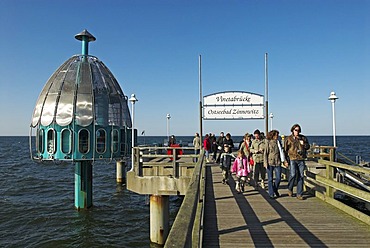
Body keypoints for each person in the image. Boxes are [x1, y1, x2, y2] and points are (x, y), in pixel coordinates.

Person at [284, 124, 310, 200]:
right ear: (292, 130)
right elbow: (285, 150)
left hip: (301, 159)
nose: (297, 132)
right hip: (292, 158)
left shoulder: (303, 138)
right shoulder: (288, 139)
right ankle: (290, 188)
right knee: (293, 174)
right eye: (296, 130)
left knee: (301, 176)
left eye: (298, 130)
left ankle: (299, 194)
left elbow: (308, 147)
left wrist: (304, 144)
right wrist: (285, 160)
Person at [264, 130, 286, 199]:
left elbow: (281, 152)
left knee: (278, 178)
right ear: (272, 135)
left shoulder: (278, 142)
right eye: (276, 135)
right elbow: (265, 153)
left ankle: (275, 189)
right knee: (270, 179)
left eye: (277, 135)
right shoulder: (268, 143)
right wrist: (265, 163)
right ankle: (271, 193)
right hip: (270, 162)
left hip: (277, 162)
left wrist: (283, 160)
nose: (277, 136)